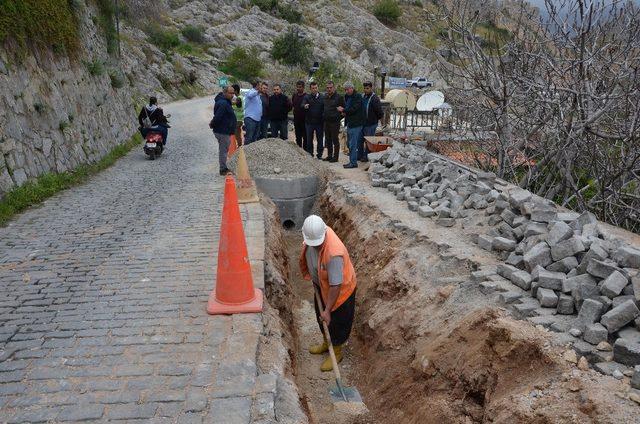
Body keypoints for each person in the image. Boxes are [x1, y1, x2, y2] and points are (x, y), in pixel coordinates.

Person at [299, 215, 357, 372]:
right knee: (321, 316)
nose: (315, 247)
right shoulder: (314, 233)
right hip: (323, 286)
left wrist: (328, 309)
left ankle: (336, 352)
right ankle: (326, 342)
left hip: (340, 291)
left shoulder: (334, 253)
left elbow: (335, 285)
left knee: (336, 322)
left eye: (317, 244)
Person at [338, 82, 365, 169]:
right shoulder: (347, 97)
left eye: (347, 89)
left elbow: (354, 109)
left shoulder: (358, 97)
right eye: (345, 90)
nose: (346, 91)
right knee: (349, 143)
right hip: (350, 123)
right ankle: (353, 160)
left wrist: (344, 110)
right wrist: (345, 112)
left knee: (353, 144)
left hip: (356, 124)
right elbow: (349, 109)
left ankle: (353, 163)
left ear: (352, 88)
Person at [211, 86, 237, 175]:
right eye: (230, 93)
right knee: (223, 151)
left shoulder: (226, 102)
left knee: (224, 150)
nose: (232, 95)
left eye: (233, 93)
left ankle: (224, 167)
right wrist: (212, 124)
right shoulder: (223, 103)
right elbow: (218, 117)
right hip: (222, 131)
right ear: (225, 93)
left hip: (225, 130)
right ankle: (223, 169)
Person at [360, 81, 384, 163]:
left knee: (369, 141)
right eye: (364, 88)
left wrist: (379, 122)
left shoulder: (375, 98)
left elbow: (380, 112)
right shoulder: (362, 96)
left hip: (371, 124)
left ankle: (367, 156)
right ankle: (360, 155)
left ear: (371, 88)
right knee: (360, 140)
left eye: (367, 88)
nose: (366, 90)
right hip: (362, 123)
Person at [322, 81, 344, 162]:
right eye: (327, 88)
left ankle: (335, 157)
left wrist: (338, 117)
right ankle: (329, 156)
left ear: (334, 88)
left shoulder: (339, 97)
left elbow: (343, 110)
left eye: (330, 87)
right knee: (328, 140)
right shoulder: (324, 97)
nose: (329, 89)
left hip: (335, 122)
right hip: (326, 122)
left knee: (335, 139)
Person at [302, 82, 324, 158]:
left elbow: (325, 108)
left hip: (319, 122)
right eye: (313, 88)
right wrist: (305, 106)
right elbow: (302, 104)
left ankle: (320, 154)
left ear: (318, 88)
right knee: (309, 139)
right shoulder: (307, 97)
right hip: (309, 122)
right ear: (310, 89)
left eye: (316, 88)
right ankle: (310, 153)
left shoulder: (322, 97)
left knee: (320, 139)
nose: (314, 89)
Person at [291, 80, 307, 150]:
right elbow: (293, 105)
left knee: (305, 137)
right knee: (298, 137)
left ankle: (306, 152)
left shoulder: (307, 96)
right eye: (297, 87)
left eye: (300, 87)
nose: (298, 88)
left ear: (303, 88)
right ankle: (299, 151)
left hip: (305, 120)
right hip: (296, 120)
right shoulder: (294, 95)